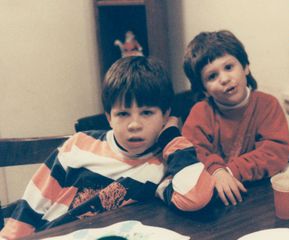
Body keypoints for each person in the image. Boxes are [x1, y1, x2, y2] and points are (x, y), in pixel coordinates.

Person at [0, 56, 213, 239]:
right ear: (109, 117)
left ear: (166, 116)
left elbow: (196, 197)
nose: (134, 125)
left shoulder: (161, 164)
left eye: (147, 113)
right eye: (123, 114)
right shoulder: (78, 147)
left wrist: (172, 137)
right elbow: (30, 207)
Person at [182, 30, 289, 207]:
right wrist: (216, 171)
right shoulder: (200, 113)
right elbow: (190, 151)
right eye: (212, 76)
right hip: (215, 201)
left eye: (228, 67)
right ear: (204, 89)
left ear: (246, 66)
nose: (224, 79)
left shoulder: (267, 105)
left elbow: (275, 151)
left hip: (258, 196)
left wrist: (231, 171)